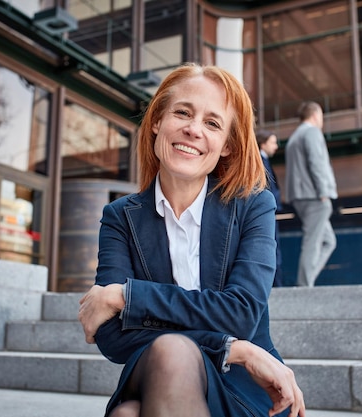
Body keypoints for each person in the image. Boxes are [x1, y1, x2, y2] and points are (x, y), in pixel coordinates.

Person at [78, 63, 305, 417]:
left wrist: (127, 296)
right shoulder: (120, 217)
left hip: (244, 386)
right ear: (156, 121)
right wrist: (232, 348)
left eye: (212, 123)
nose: (193, 129)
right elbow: (111, 336)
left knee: (128, 415)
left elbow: (241, 312)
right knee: (171, 353)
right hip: (168, 368)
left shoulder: (254, 206)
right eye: (182, 113)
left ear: (227, 145)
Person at [284, 101, 337, 287]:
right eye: (321, 116)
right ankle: (305, 286)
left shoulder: (295, 137)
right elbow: (317, 163)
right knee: (313, 241)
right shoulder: (312, 132)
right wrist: (323, 192)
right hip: (314, 195)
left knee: (328, 241)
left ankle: (307, 280)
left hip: (300, 195)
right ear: (315, 115)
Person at [256, 130, 283, 287]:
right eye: (273, 142)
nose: (276, 146)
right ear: (263, 144)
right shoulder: (260, 161)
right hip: (267, 212)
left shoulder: (263, 160)